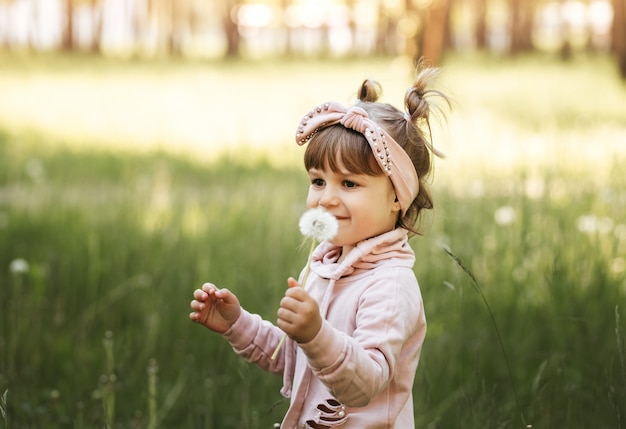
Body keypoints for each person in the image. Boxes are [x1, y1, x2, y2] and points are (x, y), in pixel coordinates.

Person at [190, 64, 451, 428]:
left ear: (397, 197)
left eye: (348, 184)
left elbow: (364, 384)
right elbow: (297, 357)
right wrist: (238, 324)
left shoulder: (389, 284)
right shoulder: (326, 265)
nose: (326, 198)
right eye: (317, 181)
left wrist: (316, 332)